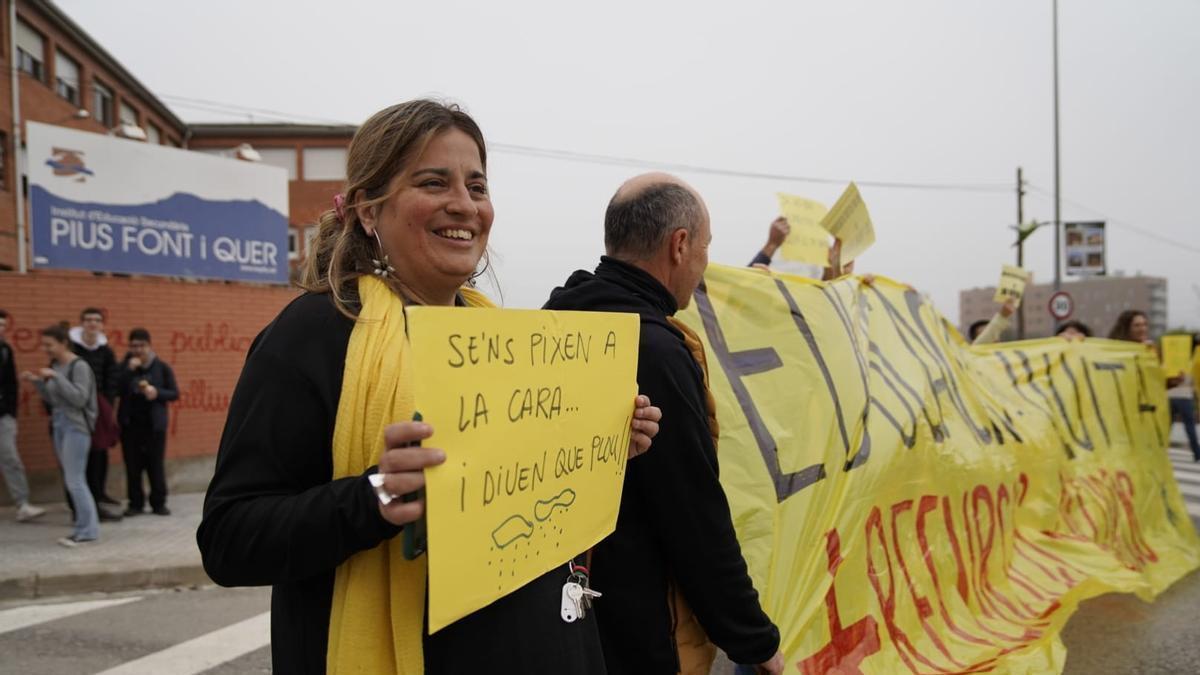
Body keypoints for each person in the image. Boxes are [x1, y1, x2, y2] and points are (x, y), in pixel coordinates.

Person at [197, 99, 662, 674]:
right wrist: (375, 498)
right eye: (433, 182)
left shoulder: (509, 339)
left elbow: (532, 499)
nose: (463, 205)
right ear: (369, 210)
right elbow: (228, 540)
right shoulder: (315, 332)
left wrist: (606, 440)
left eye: (477, 186)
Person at [544, 173, 784, 675]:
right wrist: (753, 640)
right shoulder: (654, 349)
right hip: (640, 632)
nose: (704, 264)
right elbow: (693, 513)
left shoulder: (554, 325)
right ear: (679, 246)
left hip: (561, 623)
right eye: (705, 247)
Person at [22, 324, 98, 547]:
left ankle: (87, 530)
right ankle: (82, 527)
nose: (46, 349)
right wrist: (38, 383)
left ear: (63, 343)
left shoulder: (79, 366)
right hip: (60, 425)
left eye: (49, 345)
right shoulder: (55, 365)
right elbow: (54, 400)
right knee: (71, 479)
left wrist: (56, 377)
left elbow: (79, 399)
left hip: (77, 427)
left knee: (75, 480)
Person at [117, 328, 178, 516]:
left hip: (154, 426)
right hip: (131, 425)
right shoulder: (125, 367)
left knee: (155, 465)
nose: (137, 350)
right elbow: (117, 388)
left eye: (141, 346)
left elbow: (174, 393)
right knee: (133, 466)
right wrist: (128, 371)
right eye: (134, 346)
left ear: (149, 346)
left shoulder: (161, 367)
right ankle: (135, 503)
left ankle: (158, 503)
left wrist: (157, 393)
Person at [70, 307, 122, 518]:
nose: (92, 323)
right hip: (77, 409)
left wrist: (107, 406)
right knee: (81, 457)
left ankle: (99, 494)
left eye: (97, 320)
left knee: (100, 454)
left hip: (99, 409)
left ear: (101, 325)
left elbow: (112, 379)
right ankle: (82, 505)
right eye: (89, 319)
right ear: (82, 322)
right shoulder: (72, 348)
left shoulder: (106, 350)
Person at [1, 310, 46, 522]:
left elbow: (11, 383)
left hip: (3, 416)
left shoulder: (5, 350)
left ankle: (23, 504)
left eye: (2, 325)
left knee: (11, 458)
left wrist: (10, 412)